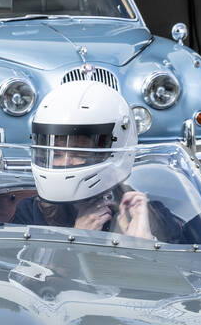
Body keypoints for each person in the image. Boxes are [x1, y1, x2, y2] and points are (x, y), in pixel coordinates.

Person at [12, 80, 162, 240]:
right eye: (55, 155)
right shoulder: (30, 212)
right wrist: (77, 236)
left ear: (117, 147)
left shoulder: (143, 210)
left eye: (80, 153)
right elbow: (22, 263)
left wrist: (146, 240)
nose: (65, 162)